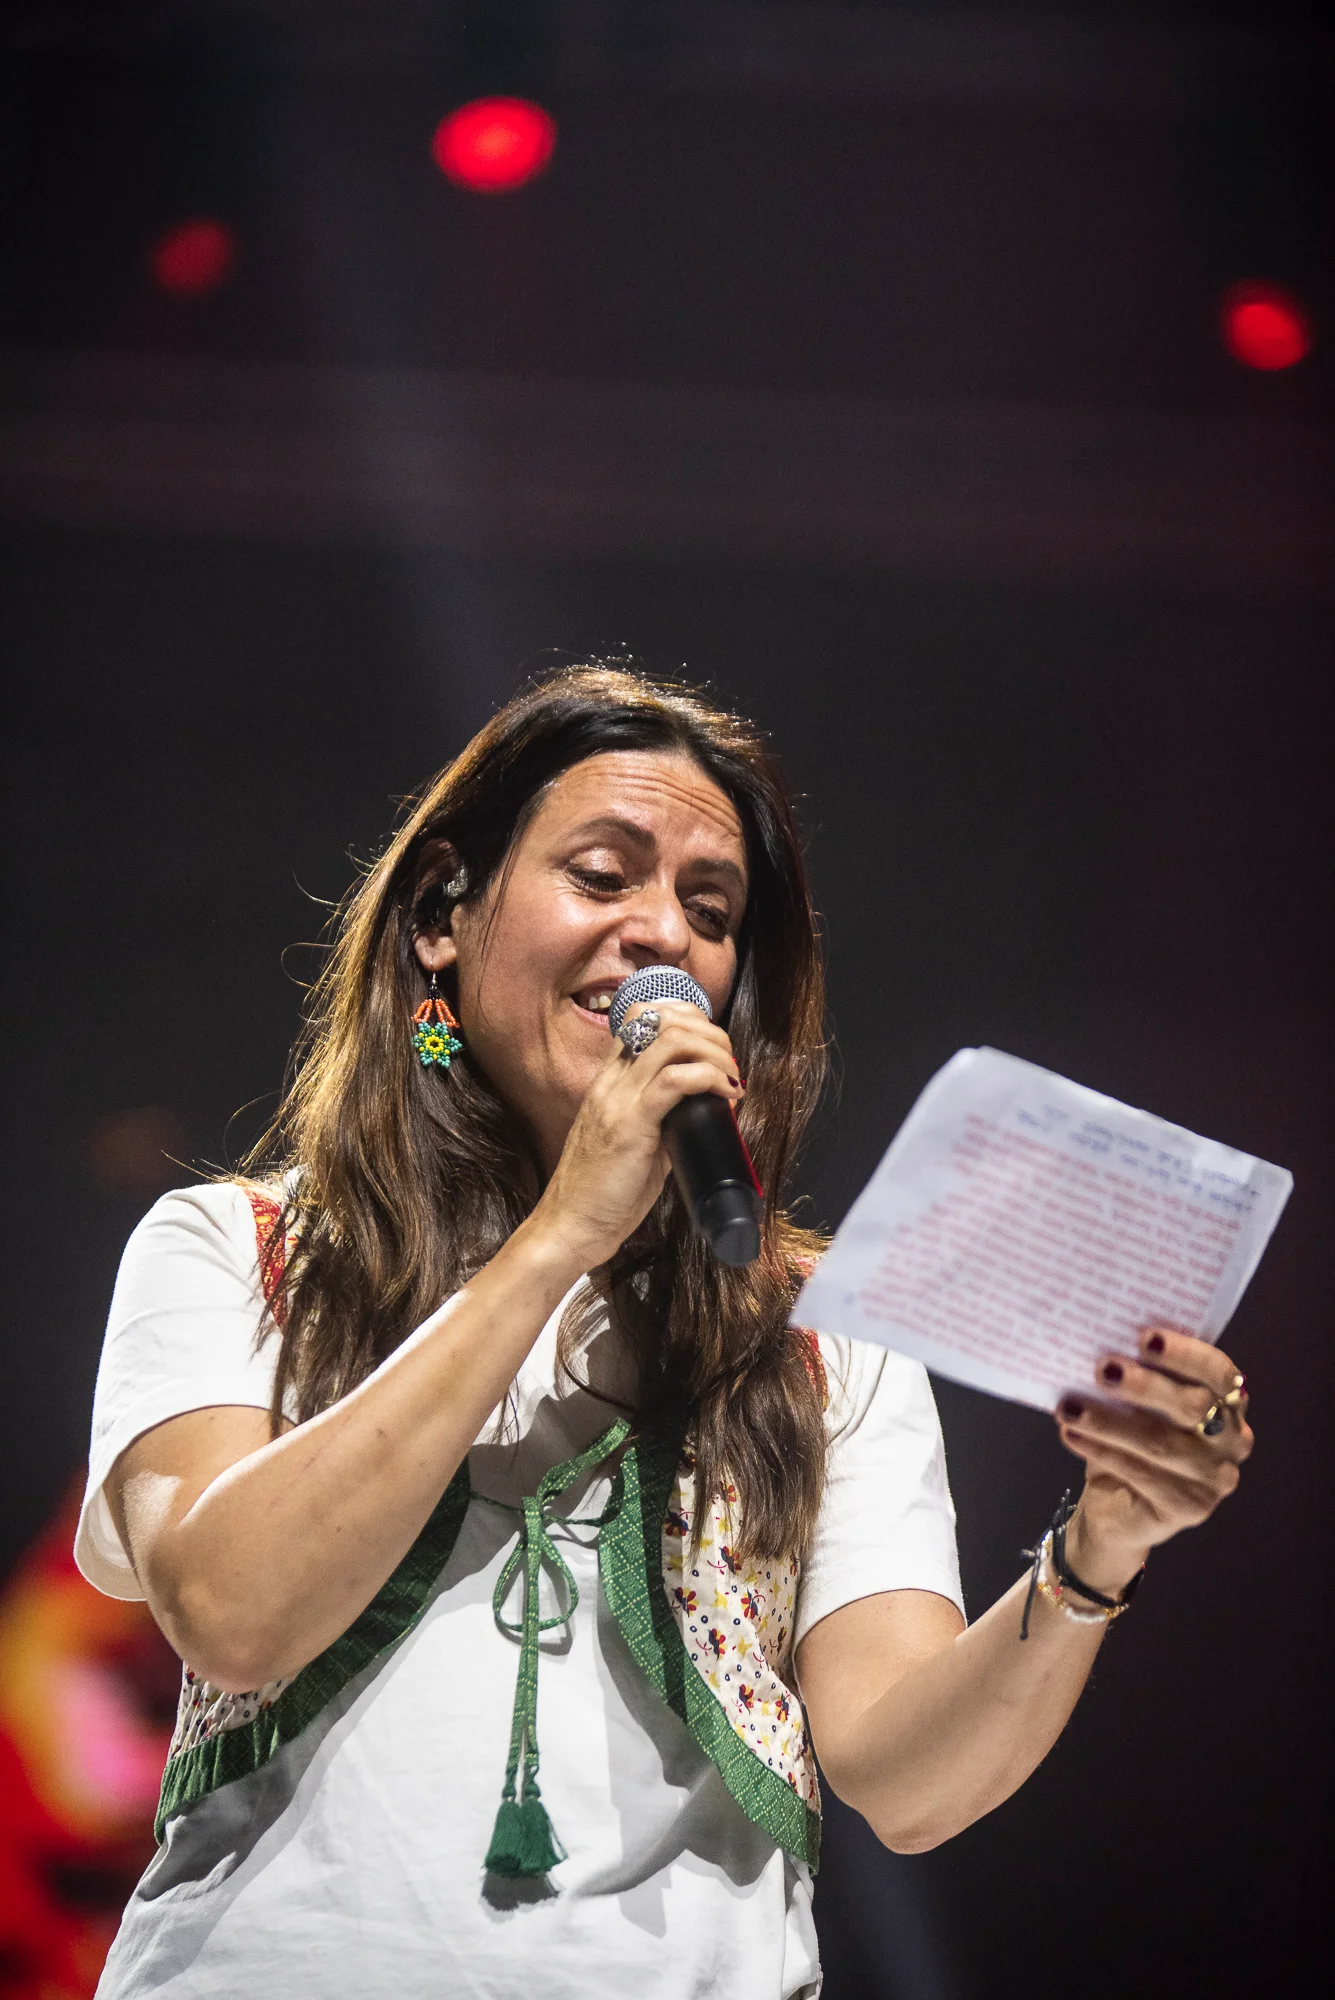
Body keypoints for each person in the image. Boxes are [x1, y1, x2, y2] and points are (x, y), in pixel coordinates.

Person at [76, 665, 1252, 1999]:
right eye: (601, 874)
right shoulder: (238, 1249)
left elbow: (909, 1786)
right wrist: (558, 1237)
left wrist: (1102, 1546)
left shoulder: (820, 1340)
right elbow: (229, 1613)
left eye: (710, 910)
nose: (661, 938)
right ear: (442, 916)